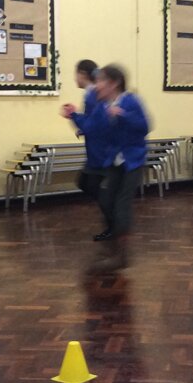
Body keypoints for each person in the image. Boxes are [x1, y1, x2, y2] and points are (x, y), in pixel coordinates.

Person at [65, 65, 149, 272]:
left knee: (121, 204)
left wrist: (123, 115)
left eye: (101, 81)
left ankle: (122, 256)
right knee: (106, 200)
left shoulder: (130, 101)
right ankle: (117, 239)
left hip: (132, 162)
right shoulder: (102, 106)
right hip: (113, 162)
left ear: (114, 83)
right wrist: (74, 115)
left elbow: (144, 126)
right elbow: (91, 127)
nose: (97, 85)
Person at [60, 59, 110, 241]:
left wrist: (73, 115)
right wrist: (81, 125)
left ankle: (115, 223)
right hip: (99, 150)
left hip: (100, 152)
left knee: (90, 184)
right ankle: (114, 222)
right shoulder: (93, 94)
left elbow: (93, 123)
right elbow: (95, 121)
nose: (75, 79)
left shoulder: (92, 95)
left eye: (76, 74)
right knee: (88, 183)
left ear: (82, 74)